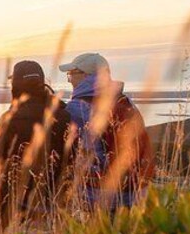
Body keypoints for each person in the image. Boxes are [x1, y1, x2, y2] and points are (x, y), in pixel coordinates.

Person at [0, 60, 72, 234]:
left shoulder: (8, 119)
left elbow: (0, 163)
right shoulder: (63, 114)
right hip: (58, 194)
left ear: (15, 85)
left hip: (22, 199)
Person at [58, 52, 154, 209]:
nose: (70, 80)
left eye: (71, 74)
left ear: (86, 76)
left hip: (97, 194)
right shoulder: (125, 102)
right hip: (136, 190)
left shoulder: (77, 109)